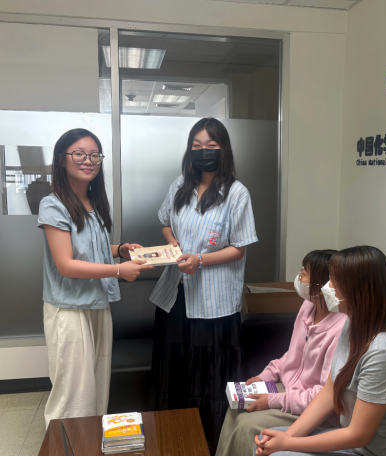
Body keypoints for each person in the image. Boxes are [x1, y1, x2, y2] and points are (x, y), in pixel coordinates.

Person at [149, 118, 258, 454]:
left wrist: (200, 260)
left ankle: (208, 443)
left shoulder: (236, 193)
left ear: (223, 150)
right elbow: (165, 222)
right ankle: (172, 440)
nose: (203, 152)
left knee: (210, 376)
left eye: (211, 146)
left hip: (215, 302)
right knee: (173, 370)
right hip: (175, 296)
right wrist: (175, 245)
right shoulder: (179, 185)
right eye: (196, 146)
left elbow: (239, 247)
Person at [254, 246, 386, 456]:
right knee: (265, 443)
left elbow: (359, 435)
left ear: (356, 291)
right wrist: (286, 438)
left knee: (278, 453)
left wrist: (287, 445)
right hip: (354, 441)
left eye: (333, 281)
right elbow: (328, 393)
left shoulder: (384, 352)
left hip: (379, 452)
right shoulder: (351, 325)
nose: (326, 287)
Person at [38, 128, 151, 428]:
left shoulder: (92, 201)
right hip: (69, 308)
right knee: (72, 395)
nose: (88, 161)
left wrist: (120, 250)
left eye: (93, 155)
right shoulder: (53, 204)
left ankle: (88, 444)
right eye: (79, 154)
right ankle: (63, 446)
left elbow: (91, 247)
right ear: (61, 159)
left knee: (97, 388)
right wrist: (118, 270)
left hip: (97, 304)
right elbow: (66, 264)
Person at [217, 250, 347, 456]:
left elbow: (325, 395)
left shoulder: (341, 329)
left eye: (304, 273)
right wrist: (265, 376)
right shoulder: (308, 306)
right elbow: (293, 354)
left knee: (246, 425)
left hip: (312, 408)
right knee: (235, 410)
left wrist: (272, 400)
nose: (299, 276)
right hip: (289, 390)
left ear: (322, 285)